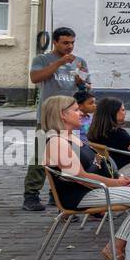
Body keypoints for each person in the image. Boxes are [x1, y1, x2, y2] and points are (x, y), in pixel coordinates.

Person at [41, 95, 130, 260]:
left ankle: (123, 247)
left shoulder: (71, 137)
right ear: (62, 115)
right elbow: (81, 178)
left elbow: (97, 165)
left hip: (96, 189)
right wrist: (116, 183)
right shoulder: (57, 142)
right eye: (76, 110)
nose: (81, 113)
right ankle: (117, 247)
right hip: (81, 195)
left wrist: (120, 178)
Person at [25, 26, 91, 211]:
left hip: (71, 116)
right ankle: (31, 195)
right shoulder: (43, 59)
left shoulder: (79, 61)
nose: (69, 47)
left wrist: (81, 81)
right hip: (48, 115)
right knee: (41, 155)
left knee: (69, 155)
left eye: (72, 43)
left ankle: (59, 194)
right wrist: (59, 63)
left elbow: (86, 86)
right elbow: (36, 78)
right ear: (55, 42)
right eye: (65, 43)